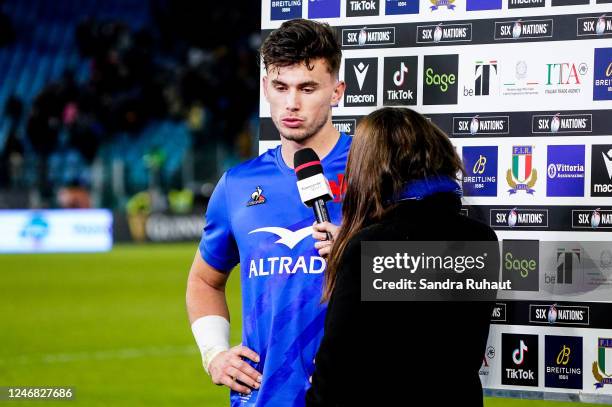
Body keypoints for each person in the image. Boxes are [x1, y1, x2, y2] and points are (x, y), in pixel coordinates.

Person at [186, 19, 347, 406]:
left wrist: (358, 250)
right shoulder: (237, 185)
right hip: (262, 398)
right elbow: (204, 282)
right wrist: (214, 355)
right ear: (265, 89)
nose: (292, 103)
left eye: (308, 88)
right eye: (281, 87)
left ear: (336, 91)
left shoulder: (380, 169)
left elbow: (425, 274)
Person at [306, 107, 498, 407]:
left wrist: (357, 252)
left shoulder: (371, 247)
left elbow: (335, 371)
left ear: (371, 167)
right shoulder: (482, 238)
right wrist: (353, 248)